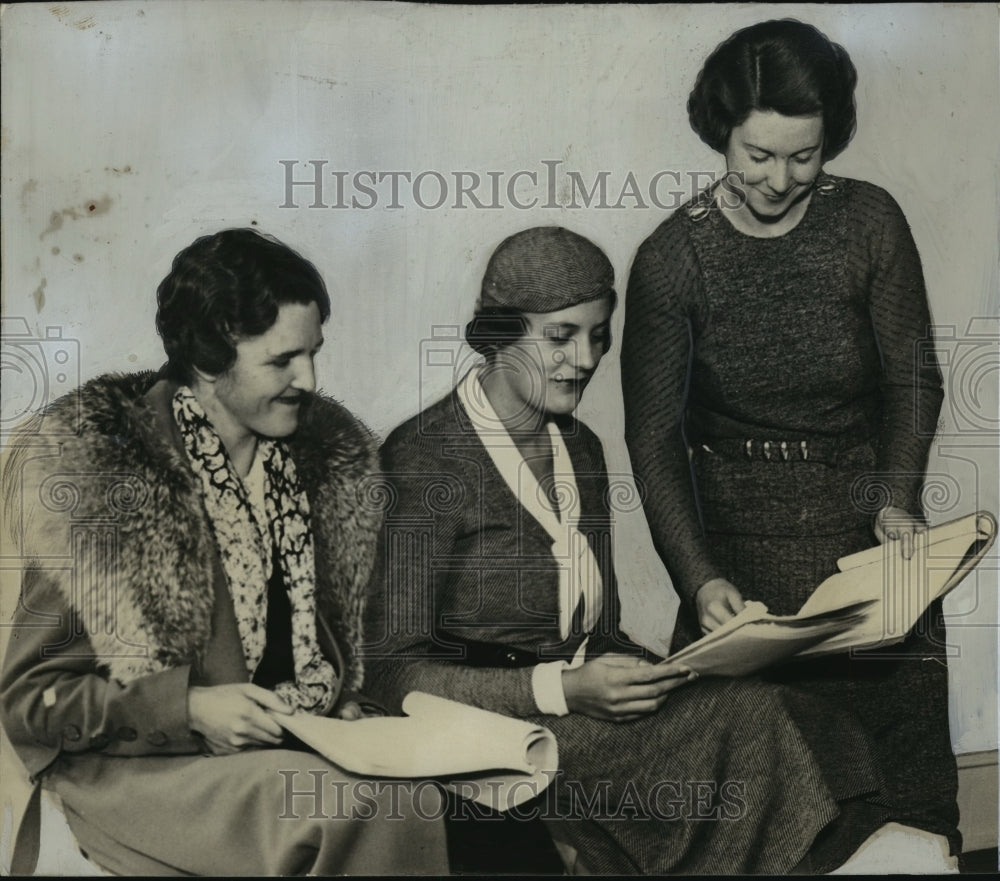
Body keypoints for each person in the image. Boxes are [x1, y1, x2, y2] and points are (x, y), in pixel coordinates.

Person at [362, 225, 900, 875]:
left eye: (598, 333)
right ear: (499, 334)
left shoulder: (581, 450)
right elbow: (391, 673)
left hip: (582, 708)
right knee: (750, 722)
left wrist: (683, 667)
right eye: (560, 336)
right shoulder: (423, 458)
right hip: (495, 729)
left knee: (802, 716)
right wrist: (562, 686)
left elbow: (601, 631)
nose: (585, 358)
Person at [0, 229, 448, 875]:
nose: (310, 379)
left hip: (281, 754)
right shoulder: (107, 475)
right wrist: (187, 708)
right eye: (283, 360)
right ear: (210, 357)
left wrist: (341, 708)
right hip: (144, 773)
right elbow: (29, 701)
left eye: (314, 353)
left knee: (432, 795)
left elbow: (313, 654)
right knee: (369, 807)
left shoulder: (315, 470)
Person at [621, 17, 958, 868]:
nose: (778, 179)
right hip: (743, 569)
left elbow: (912, 381)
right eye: (757, 155)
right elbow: (653, 438)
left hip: (872, 554)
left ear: (830, 139)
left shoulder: (870, 223)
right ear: (720, 134)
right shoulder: (672, 258)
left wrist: (896, 501)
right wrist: (700, 580)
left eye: (803, 157)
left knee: (909, 808)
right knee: (764, 817)